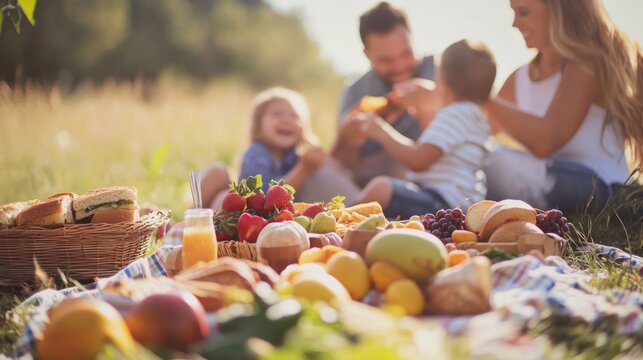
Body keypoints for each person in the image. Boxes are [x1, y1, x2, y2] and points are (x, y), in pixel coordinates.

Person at [483, 0, 643, 213]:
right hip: (552, 184)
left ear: (559, 13)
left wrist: (480, 96)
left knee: (496, 163)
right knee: (480, 160)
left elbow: (547, 140)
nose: (515, 23)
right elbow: (479, 131)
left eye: (523, 12)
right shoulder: (520, 77)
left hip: (601, 189)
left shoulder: (587, 66)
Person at [357, 40, 496, 219]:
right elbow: (435, 151)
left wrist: (380, 131)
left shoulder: (455, 114)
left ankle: (341, 220)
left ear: (443, 86)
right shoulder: (475, 119)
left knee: (380, 188)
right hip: (455, 205)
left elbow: (420, 159)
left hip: (444, 204)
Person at [331, 2, 437, 188]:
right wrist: (346, 143)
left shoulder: (442, 71)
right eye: (386, 60)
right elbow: (341, 165)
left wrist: (435, 100)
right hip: (377, 182)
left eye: (406, 53)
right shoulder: (355, 91)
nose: (400, 66)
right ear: (367, 55)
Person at [201, 87, 360, 209]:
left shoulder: (295, 156)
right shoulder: (256, 153)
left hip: (274, 222)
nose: (287, 120)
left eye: (295, 116)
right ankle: (188, 226)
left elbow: (334, 169)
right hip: (246, 214)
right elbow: (260, 198)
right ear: (258, 128)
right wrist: (303, 170)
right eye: (276, 114)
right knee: (218, 176)